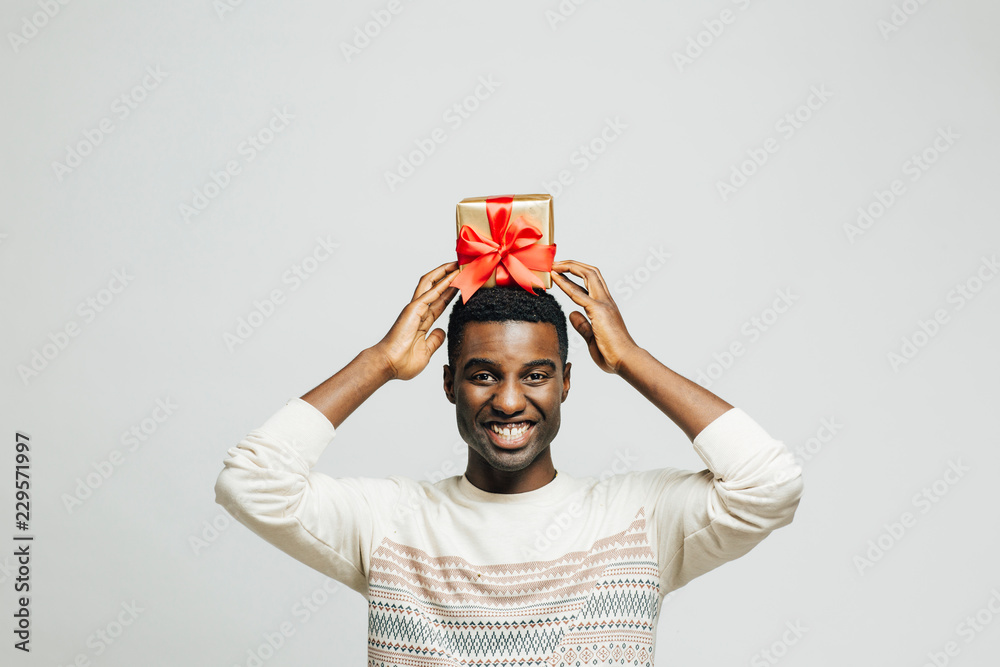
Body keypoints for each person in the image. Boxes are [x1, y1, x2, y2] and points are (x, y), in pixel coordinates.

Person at [214, 259, 804, 665]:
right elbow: (250, 484)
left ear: (567, 382)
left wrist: (630, 358)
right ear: (449, 383)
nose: (510, 400)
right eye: (483, 375)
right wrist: (381, 361)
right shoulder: (390, 521)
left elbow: (769, 484)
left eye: (536, 375)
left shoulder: (637, 519)